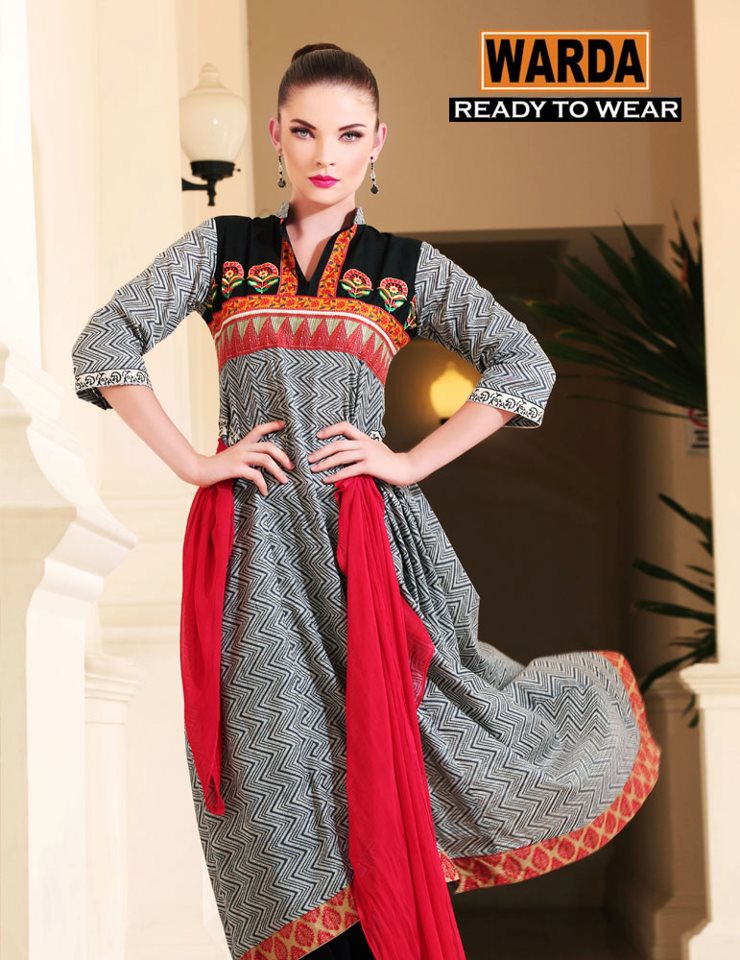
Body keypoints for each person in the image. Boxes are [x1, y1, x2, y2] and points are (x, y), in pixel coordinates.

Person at [71, 42, 661, 960]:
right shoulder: (222, 252)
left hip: (364, 557)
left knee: (403, 761)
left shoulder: (402, 268)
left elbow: (524, 365)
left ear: (377, 142)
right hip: (257, 560)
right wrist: (192, 461)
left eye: (348, 134)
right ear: (275, 135)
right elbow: (103, 341)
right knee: (273, 795)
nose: (326, 154)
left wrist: (412, 461)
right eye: (306, 131)